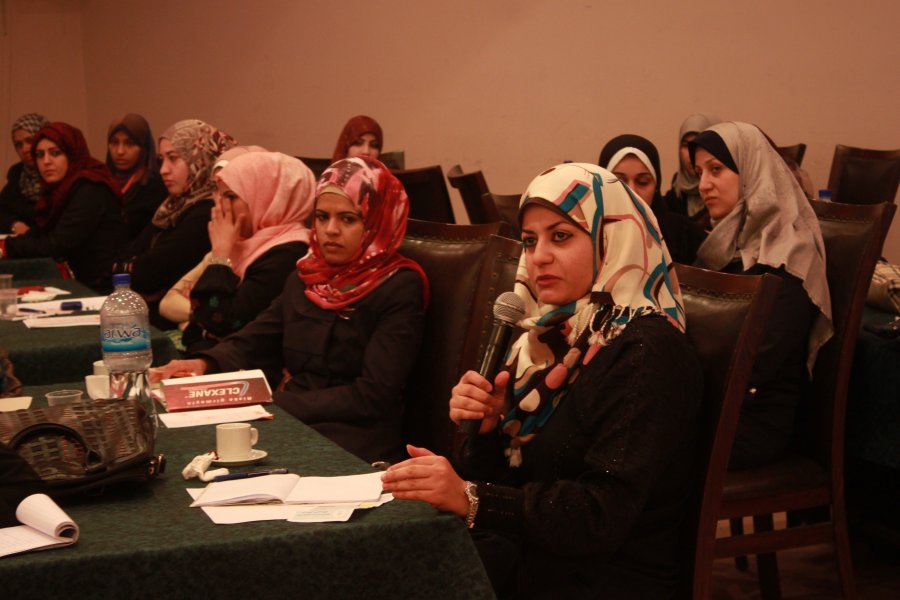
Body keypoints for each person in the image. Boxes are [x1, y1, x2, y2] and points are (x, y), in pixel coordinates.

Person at [381, 163, 703, 598]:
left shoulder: (645, 351)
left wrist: (471, 498)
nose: (539, 257)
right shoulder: (547, 340)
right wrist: (489, 430)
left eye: (561, 236)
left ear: (613, 238)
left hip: (601, 580)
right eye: (530, 241)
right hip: (536, 559)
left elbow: (600, 516)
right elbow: (516, 482)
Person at [152, 157, 429, 464]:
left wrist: (272, 402)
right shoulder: (307, 277)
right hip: (292, 418)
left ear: (376, 223)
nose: (330, 230)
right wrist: (203, 364)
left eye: (348, 219)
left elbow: (371, 396)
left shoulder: (398, 286)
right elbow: (256, 339)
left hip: (354, 436)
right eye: (322, 217)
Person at [690, 121, 833, 468]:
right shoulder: (728, 246)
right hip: (712, 405)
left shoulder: (790, 258)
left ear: (752, 170)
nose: (703, 184)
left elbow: (753, 363)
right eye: (699, 172)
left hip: (749, 423)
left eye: (716, 169)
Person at [159, 152, 316, 353]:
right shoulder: (244, 244)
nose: (220, 206)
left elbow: (219, 321)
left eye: (231, 197)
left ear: (267, 198)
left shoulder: (289, 253)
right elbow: (185, 316)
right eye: (220, 195)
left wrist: (220, 256)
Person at [116, 119, 236, 328]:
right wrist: (128, 269)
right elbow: (124, 257)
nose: (163, 170)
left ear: (200, 159)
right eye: (161, 160)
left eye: (173, 158)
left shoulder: (207, 211)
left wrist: (130, 270)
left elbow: (148, 275)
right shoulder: (172, 206)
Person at [0, 122, 124, 293]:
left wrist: (6, 248)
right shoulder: (59, 188)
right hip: (75, 281)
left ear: (71, 154)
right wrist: (6, 245)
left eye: (55, 153)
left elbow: (57, 243)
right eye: (40, 155)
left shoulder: (90, 187)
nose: (46, 161)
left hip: (100, 287)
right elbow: (42, 230)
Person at [599, 133, 707, 264]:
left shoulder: (684, 235)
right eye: (619, 182)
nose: (632, 191)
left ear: (656, 187)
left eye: (642, 182)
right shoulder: (588, 235)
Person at [105, 113, 168, 239]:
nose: (120, 151)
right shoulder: (101, 181)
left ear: (144, 148)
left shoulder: (158, 186)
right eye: (114, 142)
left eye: (130, 144)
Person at [664, 112, 722, 228]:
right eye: (686, 145)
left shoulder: (727, 198)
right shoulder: (672, 199)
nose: (690, 153)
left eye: (697, 144)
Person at [0, 113, 50, 235]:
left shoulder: (58, 173)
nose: (24, 149)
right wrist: (14, 224)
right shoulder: (17, 173)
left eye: (30, 140)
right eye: (19, 145)